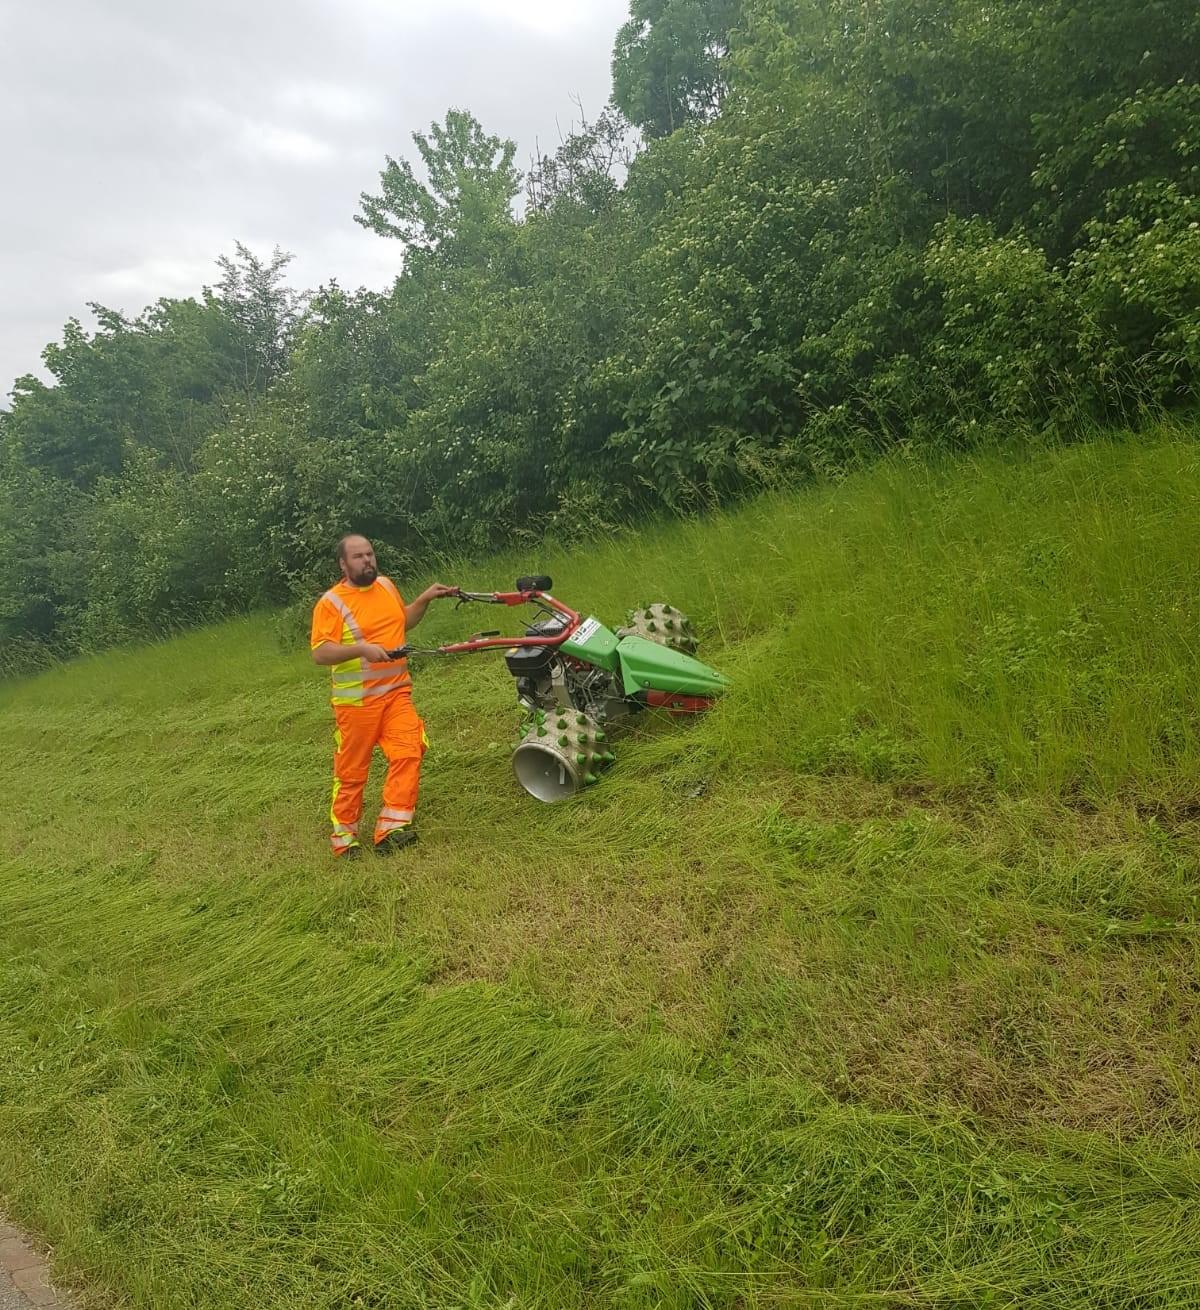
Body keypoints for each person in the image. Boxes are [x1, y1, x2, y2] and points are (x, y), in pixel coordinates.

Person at [310, 534, 457, 858]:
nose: (367, 561)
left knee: (409, 751)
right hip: (357, 705)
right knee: (352, 773)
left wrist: (424, 600)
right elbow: (320, 653)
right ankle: (344, 840)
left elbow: (402, 621)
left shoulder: (387, 586)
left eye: (370, 554)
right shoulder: (332, 603)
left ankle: (391, 829)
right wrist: (361, 649)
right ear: (343, 564)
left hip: (396, 694)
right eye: (359, 557)